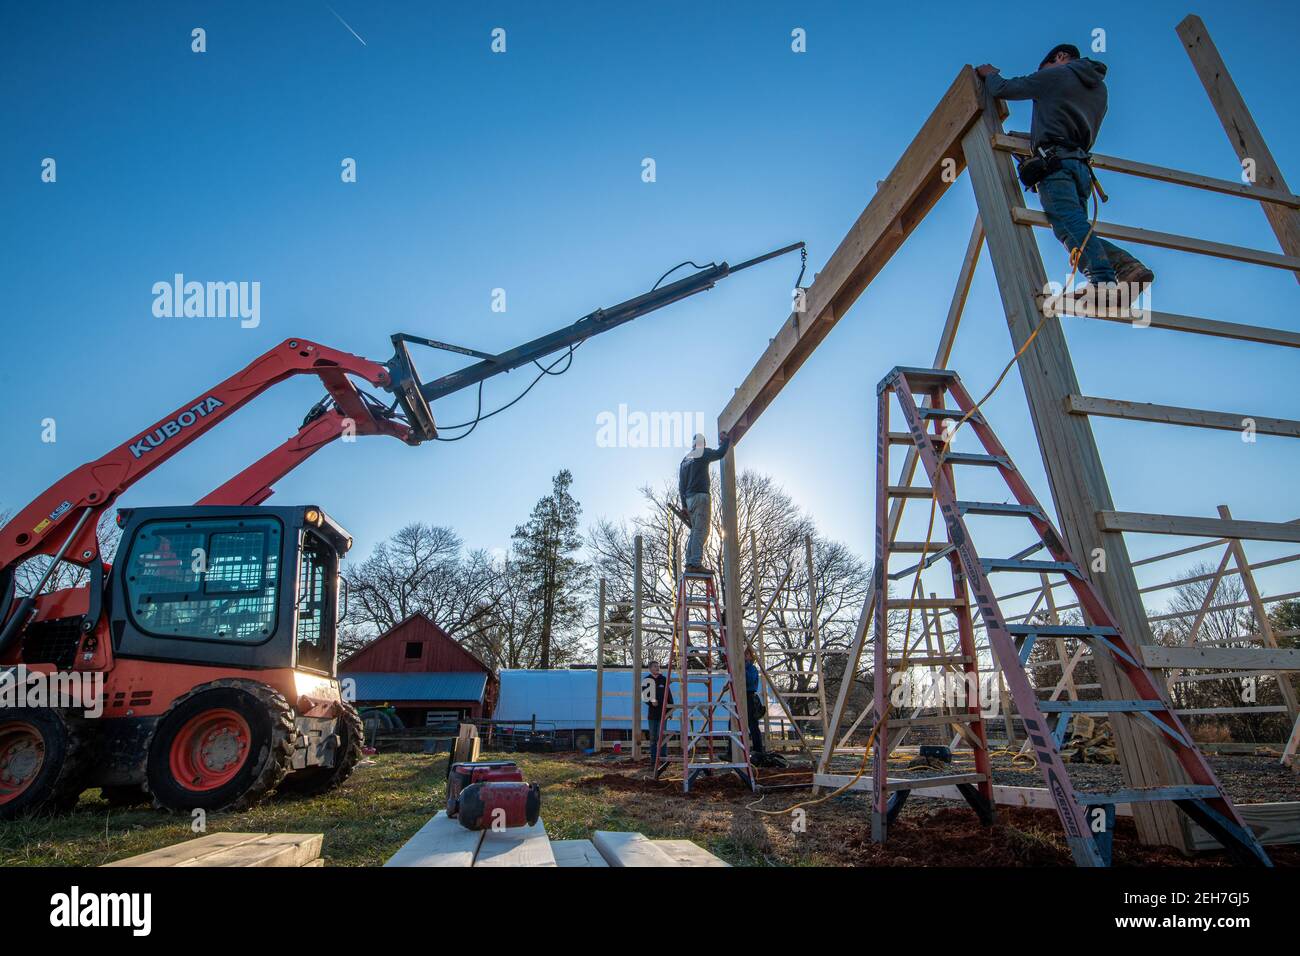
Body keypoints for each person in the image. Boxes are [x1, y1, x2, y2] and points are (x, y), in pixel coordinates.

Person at [977, 44, 1154, 303]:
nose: (1041, 73)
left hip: (1056, 165)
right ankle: (1127, 268)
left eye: (1044, 67)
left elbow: (1003, 89)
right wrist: (1032, 139)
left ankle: (1102, 281)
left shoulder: (1056, 75)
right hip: (1080, 166)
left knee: (1069, 223)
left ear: (1060, 57)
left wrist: (990, 74)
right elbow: (1066, 127)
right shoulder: (1099, 89)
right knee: (1072, 228)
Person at [678, 431, 730, 573]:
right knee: (702, 530)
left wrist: (684, 505)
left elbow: (681, 485)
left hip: (689, 500)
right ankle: (695, 563)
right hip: (701, 497)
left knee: (695, 530)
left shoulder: (685, 460)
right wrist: (726, 441)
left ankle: (690, 562)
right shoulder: (703, 452)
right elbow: (720, 453)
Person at [642, 660, 671, 764]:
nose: (657, 668)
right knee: (653, 737)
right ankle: (654, 760)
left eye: (658, 666)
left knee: (662, 736)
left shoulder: (663, 679)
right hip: (652, 714)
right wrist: (651, 701)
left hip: (663, 713)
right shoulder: (646, 680)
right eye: (655, 666)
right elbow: (644, 696)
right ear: (650, 669)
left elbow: (669, 695)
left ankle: (663, 759)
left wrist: (670, 710)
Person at [744, 646, 765, 758]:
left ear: (751, 657)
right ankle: (732, 750)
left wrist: (744, 667)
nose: (744, 656)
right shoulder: (743, 668)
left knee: (753, 725)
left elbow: (749, 681)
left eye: (746, 654)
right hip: (741, 696)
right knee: (733, 723)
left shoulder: (752, 669)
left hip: (749, 697)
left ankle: (758, 750)